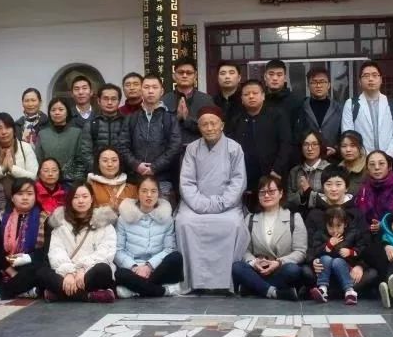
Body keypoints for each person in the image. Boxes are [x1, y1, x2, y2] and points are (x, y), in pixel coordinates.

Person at [176, 105, 250, 293]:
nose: (209, 128)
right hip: (195, 204)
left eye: (213, 123)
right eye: (204, 124)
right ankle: (192, 282)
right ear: (199, 127)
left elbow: (238, 181)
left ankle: (228, 283)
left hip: (227, 204)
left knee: (234, 224)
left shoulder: (234, 148)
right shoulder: (192, 149)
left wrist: (220, 204)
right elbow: (186, 181)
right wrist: (200, 204)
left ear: (222, 125)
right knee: (184, 222)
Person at [304, 167, 378, 297]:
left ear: (346, 187)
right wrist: (313, 261)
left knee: (372, 274)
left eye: (338, 184)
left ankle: (330, 291)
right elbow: (309, 244)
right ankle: (342, 291)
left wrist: (360, 266)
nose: (333, 189)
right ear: (322, 187)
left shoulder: (356, 213)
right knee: (305, 271)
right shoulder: (314, 214)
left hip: (349, 267)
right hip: (323, 267)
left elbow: (365, 243)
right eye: (329, 184)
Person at [38, 182, 117, 303]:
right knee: (42, 273)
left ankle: (60, 295)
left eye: (85, 196)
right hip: (66, 273)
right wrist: (69, 273)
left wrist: (83, 269)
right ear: (70, 200)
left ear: (92, 199)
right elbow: (56, 251)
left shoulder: (104, 223)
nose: (81, 201)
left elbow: (106, 252)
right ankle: (90, 296)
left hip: (90, 273)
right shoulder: (60, 224)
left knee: (103, 269)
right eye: (76, 197)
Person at [232, 176, 307, 301]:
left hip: (280, 268)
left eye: (271, 191)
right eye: (262, 192)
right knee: (237, 267)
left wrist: (278, 263)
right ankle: (274, 292)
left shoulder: (294, 218)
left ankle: (253, 288)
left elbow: (300, 252)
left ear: (281, 193)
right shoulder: (250, 218)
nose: (266, 195)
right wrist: (254, 262)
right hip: (258, 270)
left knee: (293, 270)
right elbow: (244, 250)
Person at [0, 178, 49, 302]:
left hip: (29, 264)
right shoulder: (2, 217)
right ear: (13, 198)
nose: (25, 198)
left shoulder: (44, 218)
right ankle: (23, 289)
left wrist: (26, 258)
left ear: (35, 197)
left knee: (40, 268)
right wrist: (11, 272)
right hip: (5, 265)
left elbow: (46, 250)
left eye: (29, 194)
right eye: (20, 194)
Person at [115, 177, 183, 298]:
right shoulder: (124, 218)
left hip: (157, 268)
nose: (149, 195)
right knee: (120, 273)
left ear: (158, 194)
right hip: (133, 269)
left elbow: (169, 249)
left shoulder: (166, 218)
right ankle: (162, 291)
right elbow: (118, 251)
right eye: (144, 191)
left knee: (176, 258)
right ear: (137, 193)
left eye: (153, 191)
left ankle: (137, 289)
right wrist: (135, 267)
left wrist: (149, 266)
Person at [226, 79, 292, 200]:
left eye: (255, 93)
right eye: (246, 94)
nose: (251, 96)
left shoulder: (277, 116)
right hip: (245, 177)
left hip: (273, 174)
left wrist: (277, 169)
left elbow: (286, 144)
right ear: (242, 99)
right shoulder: (236, 120)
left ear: (263, 96)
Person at [117, 73, 182, 198]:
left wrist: (155, 167)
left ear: (161, 91)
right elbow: (123, 145)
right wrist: (136, 165)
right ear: (141, 90)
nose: (150, 91)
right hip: (135, 178)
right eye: (146, 87)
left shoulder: (169, 118)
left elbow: (175, 147)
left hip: (162, 178)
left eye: (155, 87)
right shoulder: (131, 118)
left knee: (163, 209)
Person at [307, 207, 367, 305]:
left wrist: (351, 252)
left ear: (345, 224)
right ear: (325, 225)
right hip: (326, 271)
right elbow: (315, 251)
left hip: (346, 269)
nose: (334, 230)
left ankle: (349, 291)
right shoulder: (320, 234)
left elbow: (362, 250)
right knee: (325, 259)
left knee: (337, 261)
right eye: (330, 226)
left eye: (338, 226)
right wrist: (328, 245)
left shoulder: (354, 233)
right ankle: (322, 289)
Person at [341, 61, 393, 155]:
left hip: (389, 157)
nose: (370, 79)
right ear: (359, 81)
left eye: (374, 75)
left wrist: (387, 155)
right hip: (362, 158)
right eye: (366, 76)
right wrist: (365, 156)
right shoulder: (351, 104)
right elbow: (348, 133)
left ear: (381, 79)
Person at [162, 57, 216, 147]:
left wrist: (187, 119)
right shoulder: (164, 100)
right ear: (174, 76)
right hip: (171, 150)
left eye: (189, 73)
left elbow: (212, 128)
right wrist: (177, 118)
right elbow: (159, 130)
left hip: (200, 149)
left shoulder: (206, 100)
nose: (184, 75)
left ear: (195, 76)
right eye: (181, 72)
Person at [35, 98, 90, 183]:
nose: (57, 113)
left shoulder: (77, 133)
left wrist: (75, 181)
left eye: (61, 109)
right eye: (53, 110)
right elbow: (39, 159)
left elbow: (81, 161)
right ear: (49, 113)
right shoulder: (42, 134)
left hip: (71, 182)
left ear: (67, 112)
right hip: (47, 180)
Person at [0, 112, 39, 195]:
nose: (4, 132)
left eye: (7, 127)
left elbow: (34, 177)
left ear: (14, 130)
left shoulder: (25, 147)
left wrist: (12, 169)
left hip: (22, 197)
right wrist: (2, 169)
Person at [296, 67, 343, 157]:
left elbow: (343, 135)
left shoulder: (339, 109)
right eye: (314, 82)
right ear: (308, 85)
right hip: (307, 158)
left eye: (322, 82)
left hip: (333, 159)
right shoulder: (301, 107)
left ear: (329, 85)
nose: (318, 86)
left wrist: (336, 149)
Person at [286, 131, 331, 215]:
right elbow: (289, 201)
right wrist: (301, 194)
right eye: (306, 144)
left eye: (314, 144)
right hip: (299, 217)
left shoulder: (329, 169)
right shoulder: (295, 171)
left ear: (321, 146)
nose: (310, 148)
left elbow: (332, 199)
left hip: (323, 216)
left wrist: (308, 191)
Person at [355, 151, 393, 236]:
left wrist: (383, 225)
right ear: (367, 168)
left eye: (381, 163)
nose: (377, 168)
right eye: (372, 164)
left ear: (389, 166)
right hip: (366, 234)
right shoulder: (363, 188)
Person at [262, 59, 303, 141]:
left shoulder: (295, 102)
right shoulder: (259, 100)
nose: (275, 78)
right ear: (265, 77)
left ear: (285, 78)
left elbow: (298, 132)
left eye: (279, 75)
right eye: (271, 74)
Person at [88, 146, 138, 213]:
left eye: (114, 160)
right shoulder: (90, 187)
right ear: (98, 164)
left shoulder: (132, 188)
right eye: (105, 160)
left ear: (119, 163)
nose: (110, 164)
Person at [83, 83, 126, 155]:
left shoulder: (127, 123)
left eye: (113, 99)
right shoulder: (90, 124)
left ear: (119, 101)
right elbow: (86, 152)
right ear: (98, 101)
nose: (109, 102)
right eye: (105, 99)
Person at [338, 130, 367, 197]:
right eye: (344, 146)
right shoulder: (337, 169)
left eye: (353, 146)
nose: (348, 150)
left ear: (360, 147)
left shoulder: (369, 167)